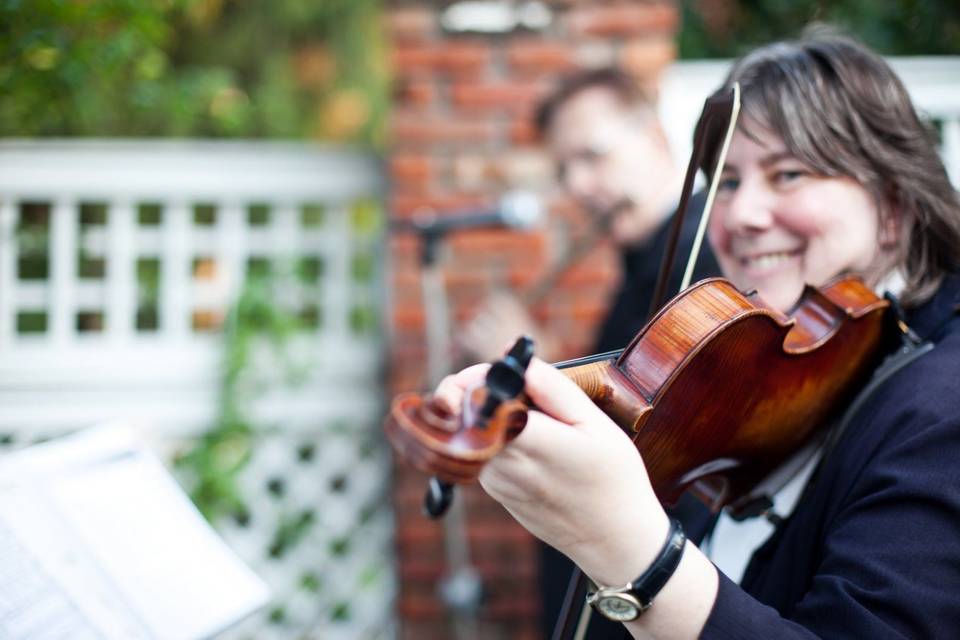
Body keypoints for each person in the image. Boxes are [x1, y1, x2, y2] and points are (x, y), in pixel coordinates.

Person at [432, 28, 960, 638]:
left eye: (787, 174)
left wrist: (636, 554)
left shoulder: (941, 408)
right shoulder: (812, 377)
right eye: (728, 182)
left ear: (893, 209)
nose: (738, 214)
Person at [458, 67, 720, 363]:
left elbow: (652, 405)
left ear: (655, 137)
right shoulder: (644, 261)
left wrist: (532, 365)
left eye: (592, 155)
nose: (576, 186)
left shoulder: (709, 250)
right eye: (563, 171)